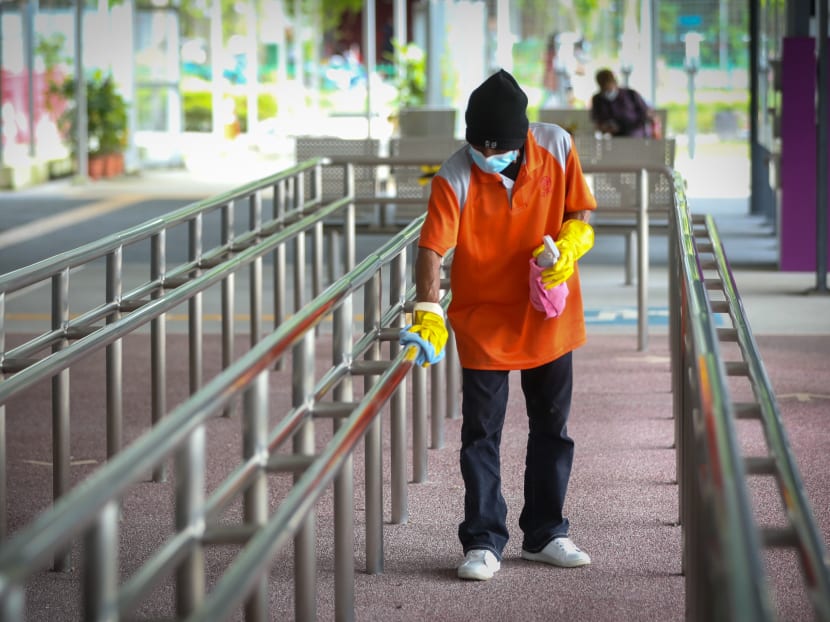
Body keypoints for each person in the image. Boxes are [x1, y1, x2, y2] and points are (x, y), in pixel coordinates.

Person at [399, 69, 597, 581]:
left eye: (500, 151)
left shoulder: (556, 145)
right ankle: (483, 540)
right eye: (479, 149)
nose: (489, 159)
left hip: (546, 312)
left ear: (522, 139)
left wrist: (571, 246)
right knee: (480, 433)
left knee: (552, 427)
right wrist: (428, 309)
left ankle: (546, 532)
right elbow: (431, 248)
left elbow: (579, 211)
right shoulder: (455, 174)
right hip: (484, 320)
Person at [590, 67, 654, 137]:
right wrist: (604, 127)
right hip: (613, 136)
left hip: (634, 133)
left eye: (608, 83)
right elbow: (596, 120)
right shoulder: (598, 99)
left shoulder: (630, 94)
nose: (606, 88)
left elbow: (646, 112)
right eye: (603, 85)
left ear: (614, 82)